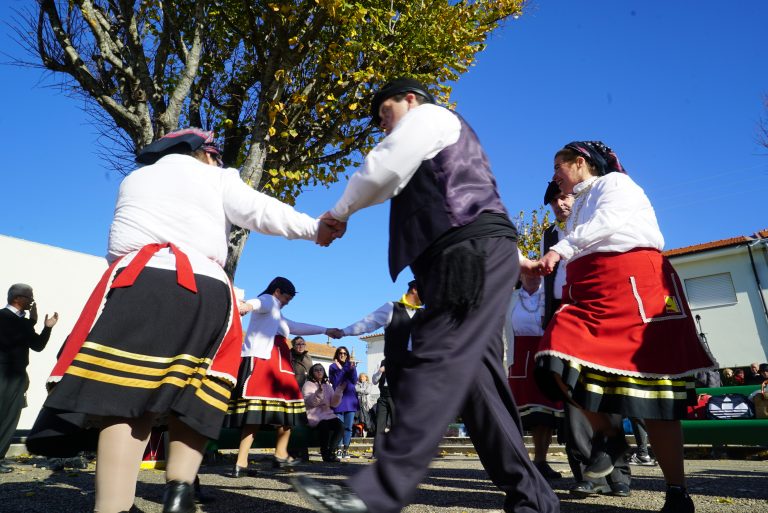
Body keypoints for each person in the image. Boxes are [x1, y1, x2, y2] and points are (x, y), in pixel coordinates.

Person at [25, 128, 337, 513]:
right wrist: (315, 227)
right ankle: (178, 492)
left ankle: (112, 506)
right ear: (204, 153)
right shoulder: (216, 176)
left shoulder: (134, 179)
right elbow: (259, 211)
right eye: (217, 156)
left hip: (134, 281)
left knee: (124, 398)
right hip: (201, 287)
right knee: (197, 393)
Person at [292, 77, 558, 513]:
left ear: (410, 100)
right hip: (470, 255)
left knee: (437, 356)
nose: (383, 127)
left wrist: (337, 214)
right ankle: (534, 501)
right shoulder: (439, 138)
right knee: (479, 386)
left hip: (466, 256)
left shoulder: (430, 116)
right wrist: (517, 256)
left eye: (385, 114)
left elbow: (386, 167)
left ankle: (375, 494)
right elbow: (477, 199)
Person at [535, 140, 717, 513]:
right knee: (552, 358)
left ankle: (677, 491)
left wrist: (560, 249)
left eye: (559, 165)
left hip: (636, 289)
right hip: (594, 294)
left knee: (656, 399)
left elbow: (608, 224)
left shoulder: (616, 185)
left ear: (581, 162)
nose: (554, 174)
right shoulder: (578, 204)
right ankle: (610, 434)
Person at [540, 181, 631, 497]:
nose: (559, 205)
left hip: (596, 308)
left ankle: (619, 472)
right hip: (562, 313)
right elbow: (547, 281)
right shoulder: (549, 236)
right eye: (554, 202)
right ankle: (586, 473)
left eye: (563, 197)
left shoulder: (594, 221)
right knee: (573, 391)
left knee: (608, 386)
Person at [225, 276, 340, 475]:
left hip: (278, 364)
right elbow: (258, 302)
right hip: (266, 362)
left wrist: (326, 330)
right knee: (269, 414)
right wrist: (245, 306)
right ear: (278, 291)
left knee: (278, 414)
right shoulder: (270, 300)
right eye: (287, 297)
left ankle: (250, 461)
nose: (287, 302)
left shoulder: (278, 315)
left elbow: (298, 326)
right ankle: (274, 455)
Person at [339, 280, 423, 457]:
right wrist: (344, 331)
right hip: (397, 368)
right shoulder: (391, 308)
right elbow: (367, 323)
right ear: (415, 289)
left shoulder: (425, 314)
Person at [505, 273, 564, 481]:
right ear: (520, 275)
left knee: (544, 413)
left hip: (544, 352)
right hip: (518, 356)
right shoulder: (510, 297)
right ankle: (516, 462)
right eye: (527, 273)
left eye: (536, 273)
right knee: (516, 412)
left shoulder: (549, 296)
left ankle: (540, 460)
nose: (532, 277)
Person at [0, 284, 58, 473]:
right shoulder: (5, 318)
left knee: (10, 416)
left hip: (16, 377)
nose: (32, 301)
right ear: (18, 299)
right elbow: (13, 337)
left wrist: (46, 328)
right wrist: (30, 323)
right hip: (5, 374)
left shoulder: (21, 322)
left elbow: (37, 345)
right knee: (6, 416)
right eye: (29, 297)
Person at [303, 364, 345, 462]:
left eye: (321, 370)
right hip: (314, 416)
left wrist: (339, 391)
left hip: (328, 414)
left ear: (324, 372)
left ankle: (331, 452)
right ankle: (325, 454)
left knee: (341, 426)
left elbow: (334, 404)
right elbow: (311, 403)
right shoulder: (308, 384)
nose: (319, 371)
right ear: (312, 373)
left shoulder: (328, 386)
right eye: (316, 370)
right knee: (324, 426)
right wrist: (318, 393)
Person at [329, 346, 359, 461]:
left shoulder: (351, 365)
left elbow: (354, 380)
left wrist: (349, 369)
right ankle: (339, 449)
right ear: (337, 354)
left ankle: (346, 449)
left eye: (345, 353)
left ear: (347, 355)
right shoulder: (333, 367)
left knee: (348, 427)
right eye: (340, 353)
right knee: (339, 427)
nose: (342, 355)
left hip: (350, 400)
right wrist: (340, 369)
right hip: (338, 400)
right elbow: (336, 383)